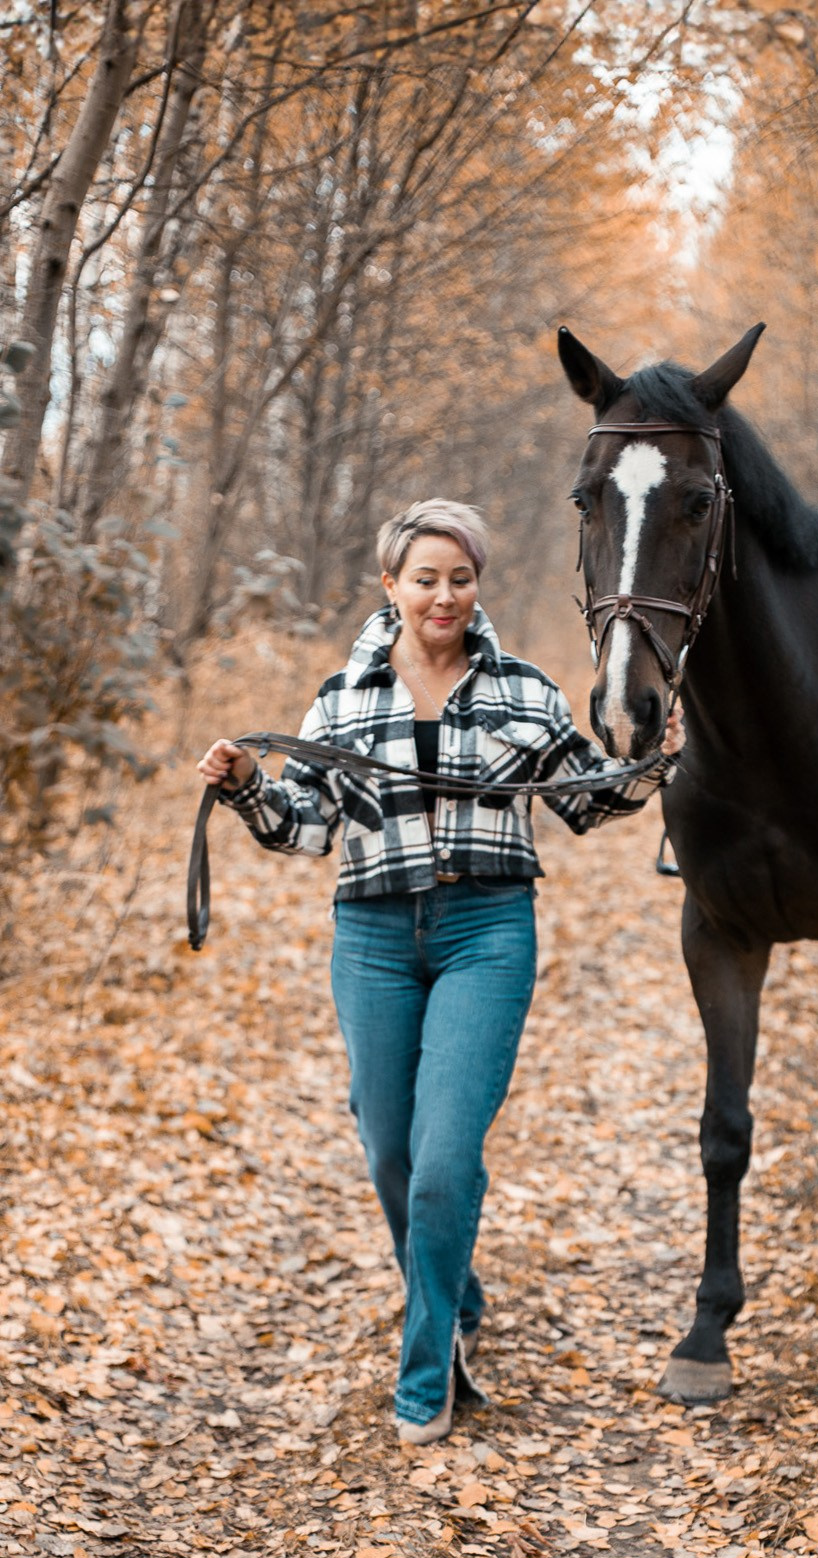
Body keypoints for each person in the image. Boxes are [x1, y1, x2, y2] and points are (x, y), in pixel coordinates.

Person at [197, 500, 683, 1445]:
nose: (444, 596)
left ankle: (430, 1369)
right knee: (389, 1151)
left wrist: (653, 765)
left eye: (459, 578)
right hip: (373, 937)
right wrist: (248, 789)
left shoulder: (525, 692)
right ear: (391, 586)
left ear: (476, 586)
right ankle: (453, 1287)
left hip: (486, 933)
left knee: (443, 1162)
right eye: (425, 578)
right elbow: (307, 827)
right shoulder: (343, 696)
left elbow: (586, 801)